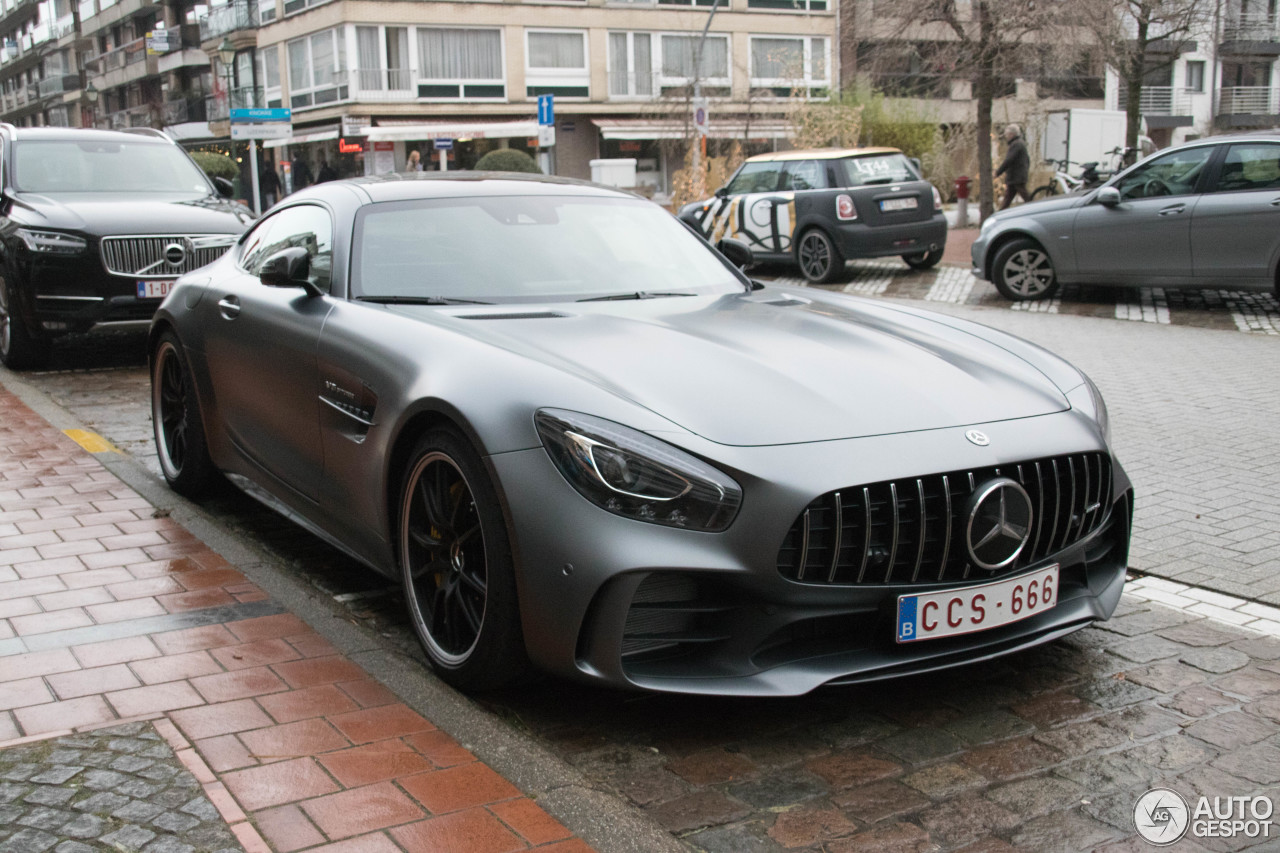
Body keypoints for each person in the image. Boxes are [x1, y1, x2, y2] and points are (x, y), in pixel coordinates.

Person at [996, 123, 1030, 209]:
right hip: (1016, 176)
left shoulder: (1016, 144)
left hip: (1016, 177)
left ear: (1012, 134)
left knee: (1025, 196)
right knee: (1008, 198)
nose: (1006, 137)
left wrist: (998, 172)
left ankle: (1036, 209)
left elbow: (1009, 160)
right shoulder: (1019, 143)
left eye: (1007, 134)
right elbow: (1027, 160)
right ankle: (1000, 214)